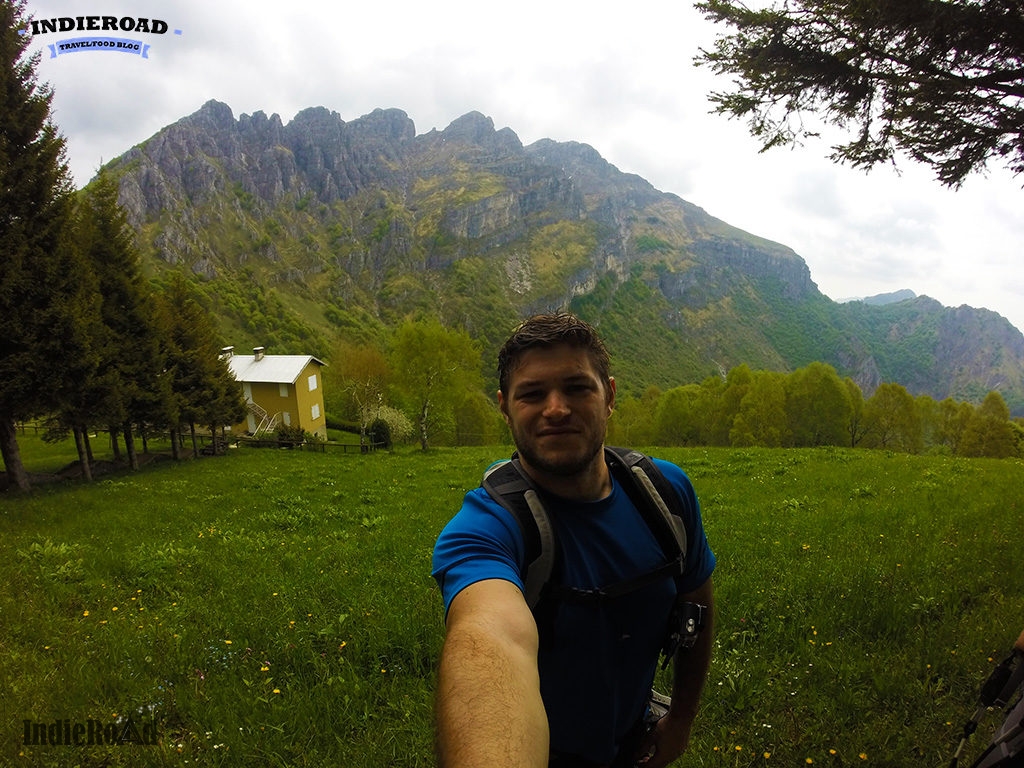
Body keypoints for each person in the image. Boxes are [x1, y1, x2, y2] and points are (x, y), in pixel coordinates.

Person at [432, 313, 716, 768]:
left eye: (578, 387)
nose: (556, 408)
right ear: (504, 407)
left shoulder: (667, 493)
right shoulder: (482, 531)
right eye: (532, 394)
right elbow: (490, 639)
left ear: (610, 396)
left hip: (637, 747)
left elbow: (696, 608)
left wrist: (680, 720)